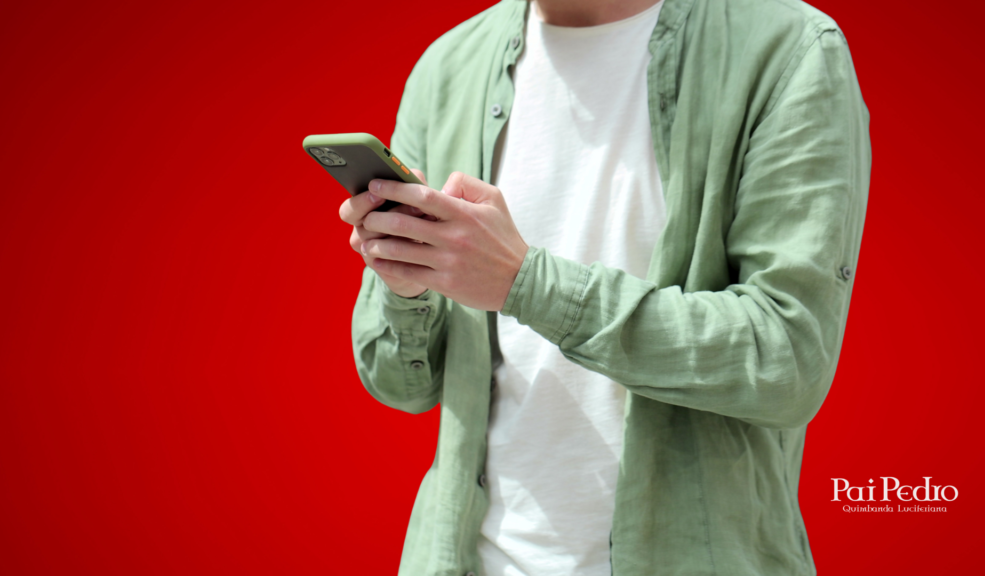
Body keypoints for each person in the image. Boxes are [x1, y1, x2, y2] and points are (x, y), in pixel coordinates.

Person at [339, 0, 870, 573]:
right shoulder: (448, 67)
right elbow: (399, 385)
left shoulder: (788, 49)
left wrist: (526, 283)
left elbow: (787, 360)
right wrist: (407, 287)